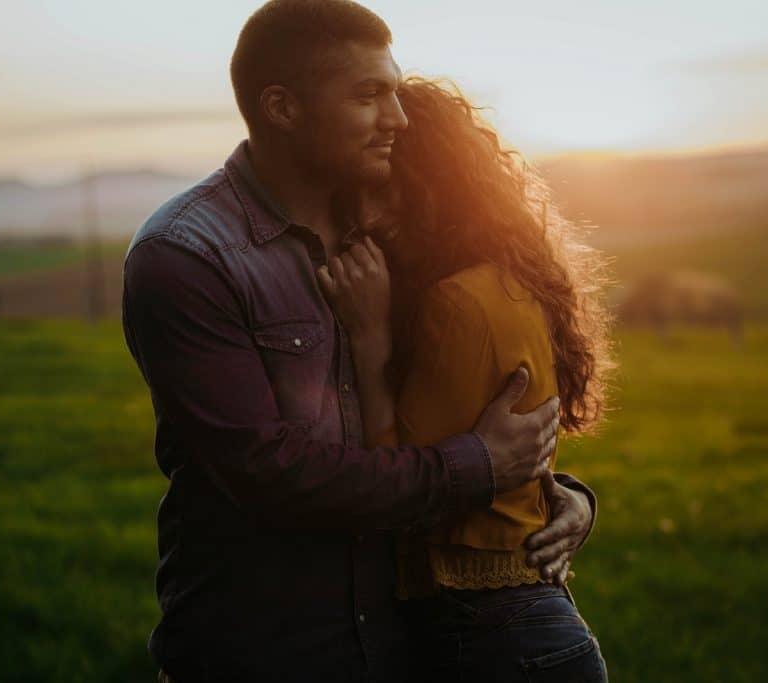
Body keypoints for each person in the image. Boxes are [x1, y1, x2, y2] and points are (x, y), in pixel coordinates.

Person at [120, 1, 598, 681]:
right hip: (266, 655)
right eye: (370, 96)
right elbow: (271, 471)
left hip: (410, 651)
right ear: (283, 108)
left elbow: (456, 406)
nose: (396, 118)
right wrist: (478, 466)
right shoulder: (187, 257)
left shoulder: (393, 233)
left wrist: (562, 497)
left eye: (396, 92)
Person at [317, 78, 613, 681]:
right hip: (526, 635)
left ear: (441, 191)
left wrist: (371, 341)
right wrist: (575, 497)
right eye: (359, 197)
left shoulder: (456, 302)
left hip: (490, 640)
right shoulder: (507, 281)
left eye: (391, 192)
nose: (370, 218)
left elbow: (399, 490)